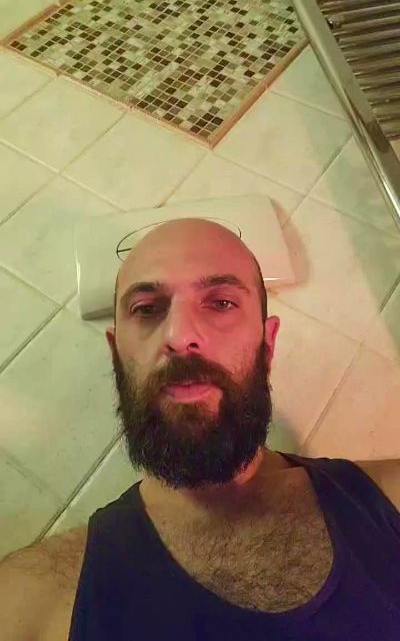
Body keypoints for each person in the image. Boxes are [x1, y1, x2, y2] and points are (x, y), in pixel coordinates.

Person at [1, 217, 400, 641]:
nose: (179, 335)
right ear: (116, 354)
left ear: (267, 345)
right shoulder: (30, 599)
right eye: (147, 309)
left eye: (222, 303)